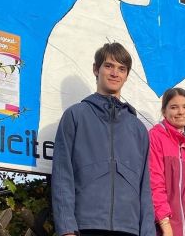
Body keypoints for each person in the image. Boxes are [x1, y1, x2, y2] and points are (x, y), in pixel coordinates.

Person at [51, 42, 155, 236]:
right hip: (85, 226)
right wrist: (66, 229)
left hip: (130, 229)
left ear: (126, 75)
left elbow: (145, 188)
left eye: (121, 69)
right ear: (95, 69)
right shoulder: (75, 116)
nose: (115, 73)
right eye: (109, 66)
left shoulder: (138, 128)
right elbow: (62, 176)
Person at [148, 87, 185, 236]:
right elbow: (154, 181)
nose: (181, 112)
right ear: (164, 111)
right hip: (160, 228)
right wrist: (165, 225)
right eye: (174, 107)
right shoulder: (155, 136)